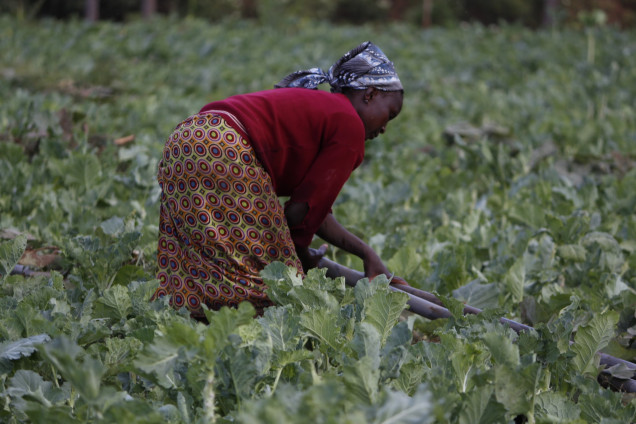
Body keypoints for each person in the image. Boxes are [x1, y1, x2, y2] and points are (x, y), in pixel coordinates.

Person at [153, 41, 404, 319]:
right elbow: (300, 215)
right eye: (389, 115)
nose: (383, 128)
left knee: (203, 255)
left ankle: (187, 317)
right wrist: (302, 260)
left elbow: (314, 211)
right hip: (226, 148)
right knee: (276, 280)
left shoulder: (327, 111)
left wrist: (367, 254)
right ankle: (240, 329)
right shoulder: (349, 124)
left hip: (189, 139)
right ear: (369, 94)